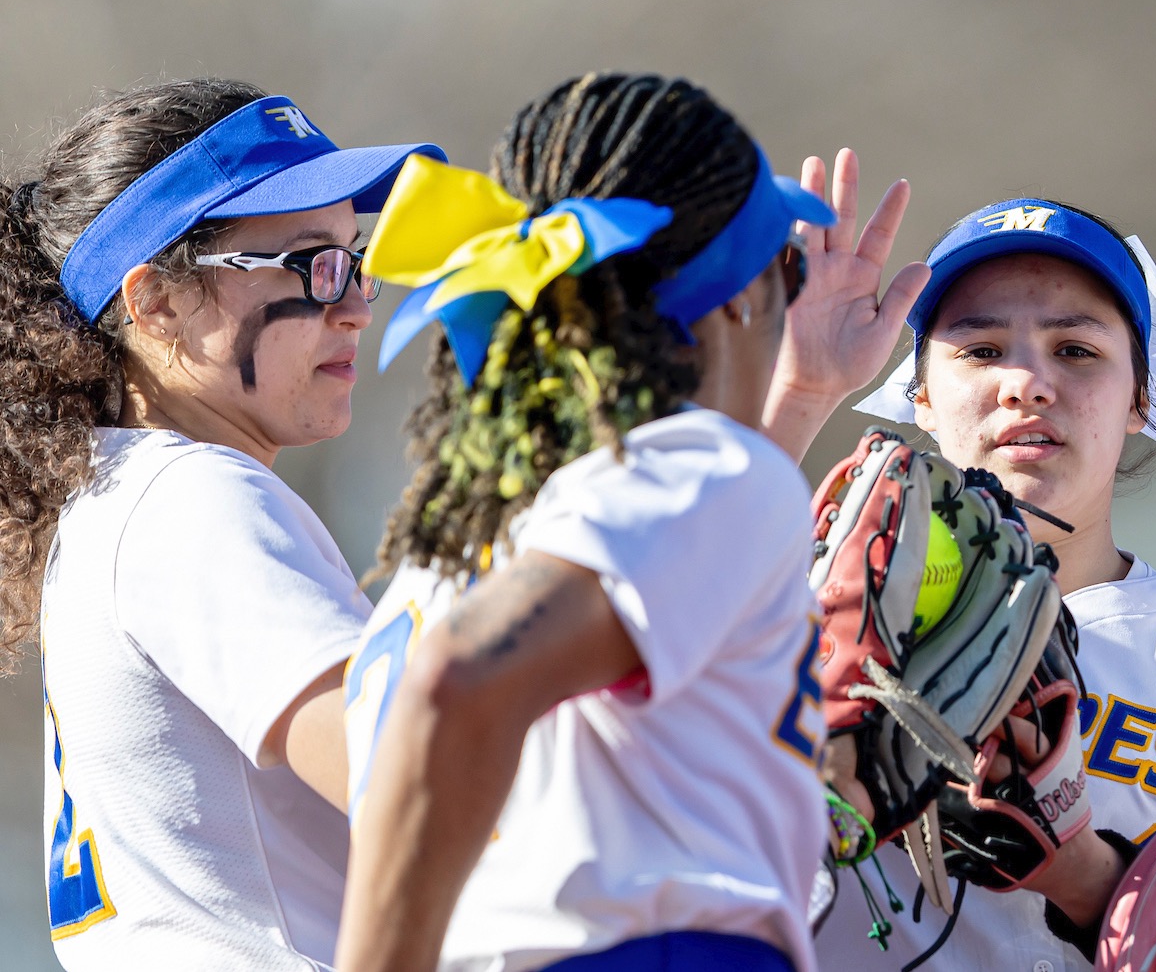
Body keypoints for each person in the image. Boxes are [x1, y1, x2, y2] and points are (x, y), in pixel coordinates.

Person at [335, 72, 837, 972]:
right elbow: (460, 681)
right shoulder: (710, 469)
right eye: (787, 267)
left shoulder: (440, 557)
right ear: (742, 293)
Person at [0, 79, 441, 969]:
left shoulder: (126, 499)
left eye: (358, 264)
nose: (354, 305)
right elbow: (413, 782)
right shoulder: (192, 499)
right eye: (313, 266)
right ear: (155, 301)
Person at [764, 196, 1156, 972]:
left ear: (1140, 400)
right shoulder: (791, 615)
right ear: (919, 396)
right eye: (981, 349)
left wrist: (1085, 876)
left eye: (1077, 350)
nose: (1027, 383)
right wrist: (803, 395)